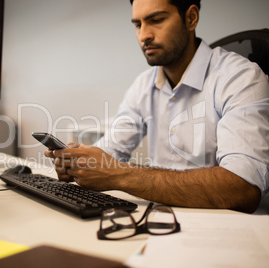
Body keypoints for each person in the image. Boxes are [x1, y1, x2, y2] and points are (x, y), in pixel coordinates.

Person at [45, 0, 269, 213]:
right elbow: (111, 148)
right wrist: (79, 162)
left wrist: (120, 175)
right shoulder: (143, 84)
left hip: (221, 229)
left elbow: (243, 188)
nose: (144, 35)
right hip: (157, 219)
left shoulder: (240, 78)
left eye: (156, 20)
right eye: (137, 24)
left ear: (191, 18)